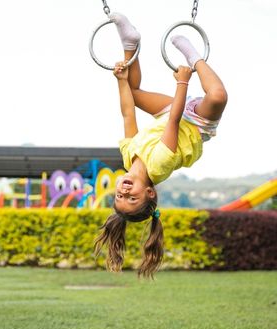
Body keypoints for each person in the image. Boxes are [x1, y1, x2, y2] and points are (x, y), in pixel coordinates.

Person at [94, 13, 228, 278]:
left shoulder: (128, 157)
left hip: (169, 113)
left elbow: (127, 114)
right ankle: (195, 57)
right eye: (132, 198)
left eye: (120, 196)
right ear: (150, 193)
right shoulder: (158, 166)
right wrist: (183, 81)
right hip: (195, 123)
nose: (124, 191)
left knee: (131, 92)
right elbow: (175, 123)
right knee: (218, 96)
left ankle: (129, 42)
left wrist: (121, 81)